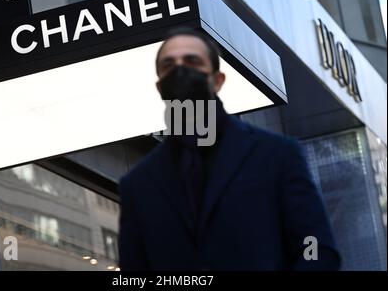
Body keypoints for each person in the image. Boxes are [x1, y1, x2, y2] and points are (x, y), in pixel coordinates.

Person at [118, 28, 341, 271]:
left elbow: (314, 246)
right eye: (169, 65)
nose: (180, 70)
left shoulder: (276, 155)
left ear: (218, 80)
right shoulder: (138, 185)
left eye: (192, 61)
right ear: (160, 87)